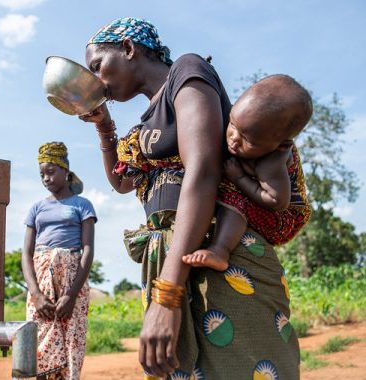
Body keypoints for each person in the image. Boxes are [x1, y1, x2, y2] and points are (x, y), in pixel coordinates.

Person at [79, 17, 300, 379]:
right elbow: (122, 183)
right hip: (175, 260)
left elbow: (203, 170)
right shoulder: (150, 119)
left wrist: (167, 294)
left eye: (98, 66)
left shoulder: (187, 71)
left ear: (129, 49)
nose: (96, 80)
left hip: (220, 252)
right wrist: (105, 126)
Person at [183, 74, 313, 271]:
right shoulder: (254, 129)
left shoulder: (271, 162)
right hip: (261, 194)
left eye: (248, 140)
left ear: (281, 145)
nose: (234, 138)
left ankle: (220, 251)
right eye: (232, 124)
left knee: (234, 199)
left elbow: (277, 201)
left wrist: (240, 178)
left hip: (283, 218)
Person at [22, 142, 97, 380]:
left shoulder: (82, 205)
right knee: (39, 336)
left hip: (71, 280)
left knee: (71, 335)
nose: (46, 178)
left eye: (51, 171)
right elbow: (26, 253)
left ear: (66, 170)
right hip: (41, 282)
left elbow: (87, 250)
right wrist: (35, 294)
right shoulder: (36, 208)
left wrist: (71, 294)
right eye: (42, 174)